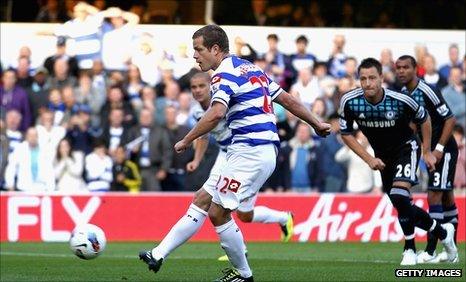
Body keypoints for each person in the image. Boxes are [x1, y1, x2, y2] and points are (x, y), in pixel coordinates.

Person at [139, 25, 331, 282]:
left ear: (215, 49)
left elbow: (217, 113)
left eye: (199, 49)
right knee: (205, 201)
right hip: (253, 151)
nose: (195, 56)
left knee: (219, 213)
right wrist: (316, 122)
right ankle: (158, 254)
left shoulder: (222, 75)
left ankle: (243, 275)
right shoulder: (251, 68)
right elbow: (287, 100)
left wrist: (187, 139)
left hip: (249, 151)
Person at [339, 57, 457, 265]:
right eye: (363, 79)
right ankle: (443, 232)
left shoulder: (400, 100)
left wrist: (427, 150)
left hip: (406, 148)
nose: (368, 83)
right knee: (401, 204)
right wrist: (369, 158)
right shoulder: (350, 101)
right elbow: (346, 133)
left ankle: (409, 249)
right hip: (382, 157)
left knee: (401, 194)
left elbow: (425, 119)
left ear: (382, 78)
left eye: (372, 78)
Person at [395, 55, 459, 263]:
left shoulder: (428, 90)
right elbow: (414, 125)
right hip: (429, 150)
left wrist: (438, 149)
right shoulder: (404, 94)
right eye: (398, 68)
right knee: (446, 197)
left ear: (416, 69)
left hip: (444, 148)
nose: (401, 71)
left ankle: (431, 251)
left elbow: (450, 119)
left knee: (434, 195)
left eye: (406, 67)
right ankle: (452, 252)